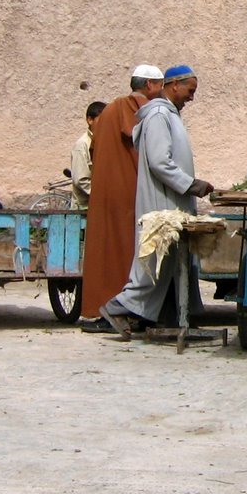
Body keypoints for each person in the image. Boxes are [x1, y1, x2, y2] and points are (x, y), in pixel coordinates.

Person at [100, 65, 215, 335]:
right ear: (174, 85)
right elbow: (160, 163)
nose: (191, 97)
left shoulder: (168, 116)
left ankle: (173, 317)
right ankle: (119, 307)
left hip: (173, 202)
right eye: (190, 90)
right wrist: (192, 184)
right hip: (160, 203)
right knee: (154, 264)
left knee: (172, 264)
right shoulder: (159, 115)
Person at [79, 65, 165, 327]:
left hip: (105, 193)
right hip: (128, 193)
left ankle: (97, 309)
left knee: (104, 252)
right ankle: (119, 311)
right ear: (149, 85)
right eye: (161, 85)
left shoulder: (108, 112)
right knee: (125, 253)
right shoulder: (136, 110)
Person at [70, 101, 106, 209]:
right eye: (101, 121)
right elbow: (81, 180)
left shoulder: (104, 142)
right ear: (90, 120)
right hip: (83, 209)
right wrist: (102, 195)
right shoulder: (82, 145)